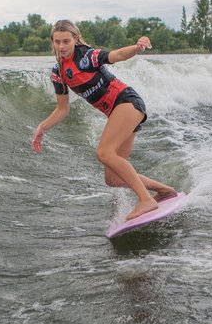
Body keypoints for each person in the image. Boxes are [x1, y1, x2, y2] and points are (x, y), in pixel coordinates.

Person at [31, 20, 177, 221]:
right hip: (119, 111)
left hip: (126, 102)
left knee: (104, 153)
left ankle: (146, 200)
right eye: (57, 42)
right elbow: (62, 109)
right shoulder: (59, 73)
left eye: (66, 41)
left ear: (75, 39)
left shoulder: (87, 56)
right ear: (53, 42)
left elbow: (115, 55)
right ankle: (165, 190)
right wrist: (42, 127)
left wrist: (137, 48)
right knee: (114, 178)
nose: (62, 46)